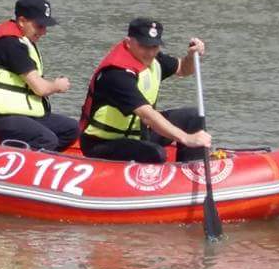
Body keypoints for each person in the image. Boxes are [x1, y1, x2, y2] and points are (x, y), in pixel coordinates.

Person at [78, 17, 212, 163]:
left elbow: (184, 69)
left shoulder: (154, 60)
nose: (149, 52)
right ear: (129, 42)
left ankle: (193, 170)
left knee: (192, 116)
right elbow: (146, 115)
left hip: (138, 133)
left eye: (154, 46)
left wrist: (191, 56)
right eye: (144, 46)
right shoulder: (116, 73)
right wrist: (186, 138)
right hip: (102, 143)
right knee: (155, 153)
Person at [0, 0, 78, 151]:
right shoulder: (10, 44)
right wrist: (57, 85)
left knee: (71, 129)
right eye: (40, 26)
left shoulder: (22, 41)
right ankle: (22, 164)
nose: (44, 32)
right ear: (21, 21)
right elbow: (40, 89)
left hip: (18, 113)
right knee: (46, 139)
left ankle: (43, 159)